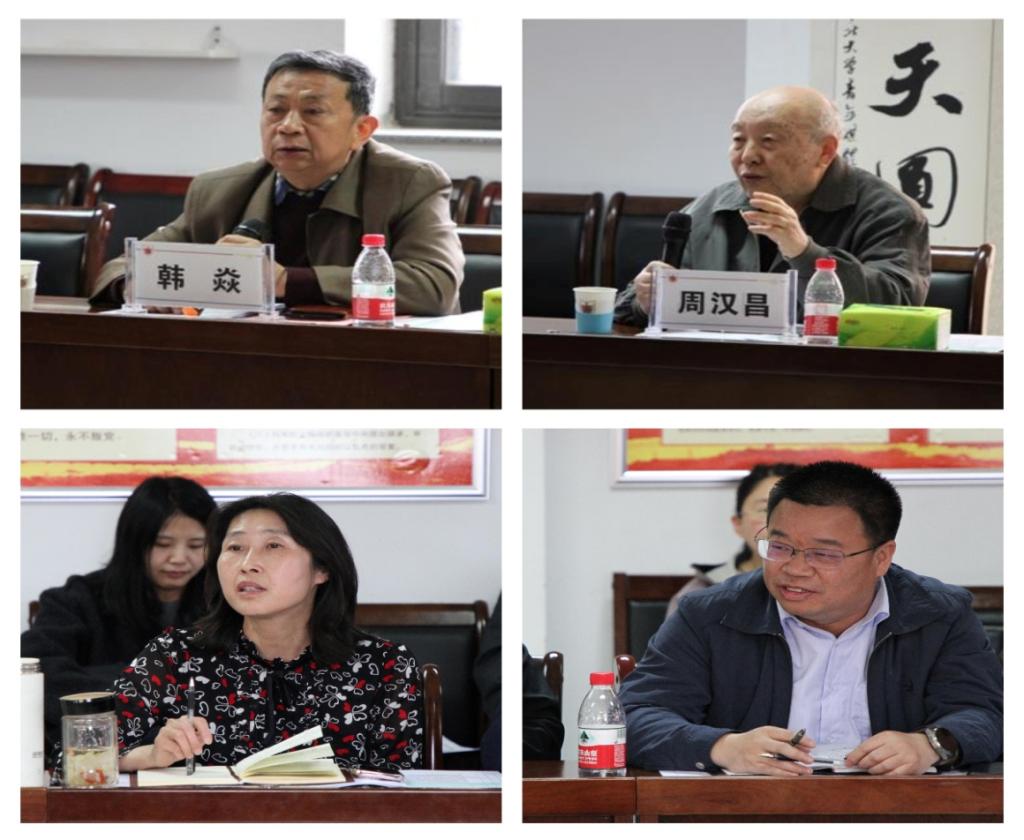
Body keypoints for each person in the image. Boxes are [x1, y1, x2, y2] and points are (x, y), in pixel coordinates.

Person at [621, 461, 1001, 775]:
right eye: (780, 546)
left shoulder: (939, 615)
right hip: (751, 813)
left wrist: (929, 745)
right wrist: (723, 747)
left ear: (881, 557)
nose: (794, 568)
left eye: (823, 554)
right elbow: (636, 716)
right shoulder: (708, 614)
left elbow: (987, 715)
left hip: (896, 813)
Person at [89, 50, 464, 316]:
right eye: (276, 110)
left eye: (313, 111)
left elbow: (433, 286)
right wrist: (136, 287)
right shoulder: (219, 189)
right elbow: (120, 268)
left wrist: (284, 281)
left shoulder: (409, 182)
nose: (288, 126)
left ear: (362, 129)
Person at [114, 493, 422, 772]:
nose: (247, 564)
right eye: (235, 548)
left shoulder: (384, 665)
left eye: (273, 546)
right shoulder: (175, 655)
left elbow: (406, 789)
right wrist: (151, 755)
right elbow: (89, 752)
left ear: (321, 569)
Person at [614, 86, 930, 328]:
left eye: (768, 141)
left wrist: (804, 253)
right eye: (738, 140)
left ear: (825, 151)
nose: (748, 156)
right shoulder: (711, 208)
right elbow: (625, 308)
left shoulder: (889, 212)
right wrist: (644, 302)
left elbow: (899, 309)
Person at [21, 476, 216, 758]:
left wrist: (109, 679)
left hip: (197, 757)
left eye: (196, 545)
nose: (178, 558)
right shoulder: (78, 599)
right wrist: (150, 691)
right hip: (98, 756)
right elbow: (40, 672)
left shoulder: (221, 604)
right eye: (162, 544)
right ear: (133, 542)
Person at [666, 463, 799, 615]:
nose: (780, 523)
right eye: (764, 509)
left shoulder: (822, 592)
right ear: (738, 523)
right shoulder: (697, 598)